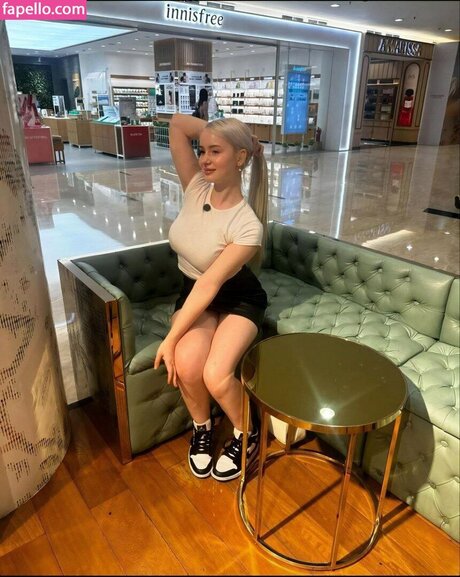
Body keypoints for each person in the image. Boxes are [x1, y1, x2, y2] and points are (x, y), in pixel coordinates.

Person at [154, 113, 268, 481]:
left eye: (215, 151)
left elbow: (211, 284)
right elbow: (176, 124)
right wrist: (236, 135)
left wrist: (170, 337)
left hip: (238, 298)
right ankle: (202, 428)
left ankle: (247, 432)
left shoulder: (247, 225)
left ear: (240, 158)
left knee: (216, 375)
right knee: (188, 365)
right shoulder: (196, 186)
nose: (204, 159)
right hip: (193, 291)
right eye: (202, 150)